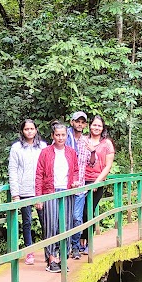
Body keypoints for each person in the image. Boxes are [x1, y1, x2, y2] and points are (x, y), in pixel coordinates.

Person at [34, 121, 80, 272]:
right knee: (51, 225)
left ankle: (63, 257)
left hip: (67, 192)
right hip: (50, 192)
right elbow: (39, 175)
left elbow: (75, 171)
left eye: (63, 135)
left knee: (66, 225)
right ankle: (51, 258)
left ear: (67, 136)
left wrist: (74, 183)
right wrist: (38, 197)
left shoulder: (71, 152)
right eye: (57, 135)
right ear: (53, 136)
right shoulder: (45, 152)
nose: (60, 138)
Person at [7, 118, 43, 265]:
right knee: (27, 222)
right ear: (22, 131)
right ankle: (29, 251)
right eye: (26, 129)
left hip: (40, 190)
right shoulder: (16, 148)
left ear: (36, 130)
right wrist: (15, 194)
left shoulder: (42, 146)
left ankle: (50, 250)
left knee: (45, 220)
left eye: (32, 129)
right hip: (24, 190)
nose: (29, 131)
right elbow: (13, 170)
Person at [82, 114, 116, 228]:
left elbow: (108, 166)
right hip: (82, 180)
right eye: (94, 125)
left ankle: (86, 240)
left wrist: (97, 182)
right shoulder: (84, 140)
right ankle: (79, 241)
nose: (96, 127)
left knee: (88, 211)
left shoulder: (107, 143)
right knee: (78, 212)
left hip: (97, 181)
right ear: (90, 126)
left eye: (99, 126)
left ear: (103, 128)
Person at [64, 110, 91, 257]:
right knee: (65, 218)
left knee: (76, 218)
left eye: (82, 122)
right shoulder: (64, 138)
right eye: (77, 121)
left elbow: (91, 163)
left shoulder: (86, 141)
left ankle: (75, 246)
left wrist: (93, 152)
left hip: (80, 187)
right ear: (72, 122)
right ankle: (66, 247)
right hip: (65, 187)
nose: (79, 124)